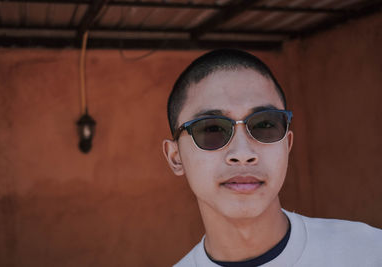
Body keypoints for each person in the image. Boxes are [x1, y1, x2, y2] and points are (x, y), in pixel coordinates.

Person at [162, 49, 382, 267]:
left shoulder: (369, 252)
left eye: (264, 125)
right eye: (211, 129)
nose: (242, 154)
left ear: (287, 145)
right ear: (176, 157)